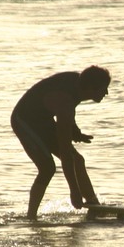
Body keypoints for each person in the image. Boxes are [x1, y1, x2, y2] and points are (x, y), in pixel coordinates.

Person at [11, 66, 111, 219]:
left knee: (78, 160)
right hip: (24, 120)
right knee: (47, 168)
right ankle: (31, 217)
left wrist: (75, 130)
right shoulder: (66, 102)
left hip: (44, 119)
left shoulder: (77, 86)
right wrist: (74, 191)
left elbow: (69, 112)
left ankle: (93, 205)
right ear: (92, 88)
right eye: (104, 89)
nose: (106, 93)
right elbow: (65, 152)